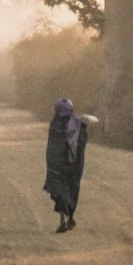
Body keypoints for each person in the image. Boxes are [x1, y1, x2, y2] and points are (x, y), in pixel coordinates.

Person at [43, 97, 93, 233]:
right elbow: (82, 144)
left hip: (58, 166)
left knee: (60, 191)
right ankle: (70, 217)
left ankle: (63, 219)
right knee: (73, 190)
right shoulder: (78, 124)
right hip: (75, 166)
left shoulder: (54, 125)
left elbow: (52, 146)